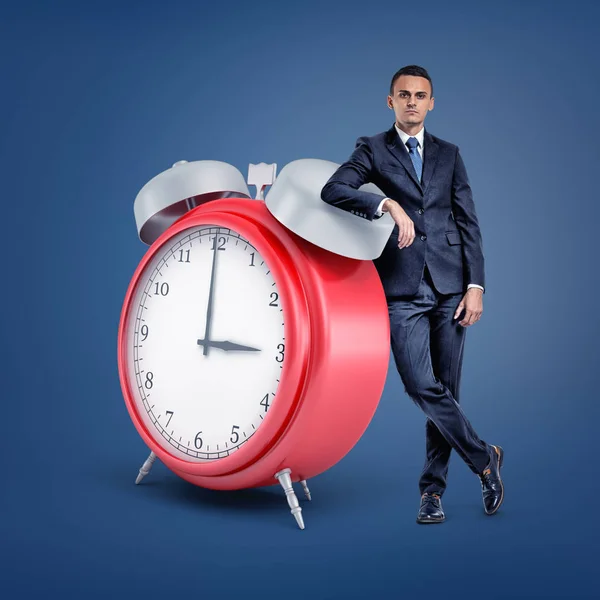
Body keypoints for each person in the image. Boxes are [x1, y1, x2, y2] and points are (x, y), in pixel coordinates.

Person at [320, 65, 504, 524]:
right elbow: (334, 189)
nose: (411, 102)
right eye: (403, 95)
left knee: (448, 391)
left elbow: (468, 224)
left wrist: (476, 286)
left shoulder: (449, 153)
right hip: (401, 288)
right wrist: (386, 204)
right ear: (390, 101)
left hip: (451, 287)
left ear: (431, 102)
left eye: (420, 95)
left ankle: (432, 494)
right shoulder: (373, 149)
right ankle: (485, 458)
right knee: (422, 386)